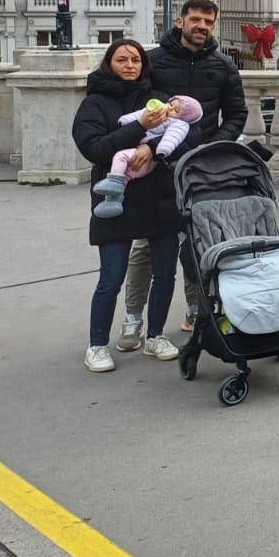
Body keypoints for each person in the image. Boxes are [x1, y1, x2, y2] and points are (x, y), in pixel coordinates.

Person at [120, 0, 246, 347]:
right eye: (195, 19)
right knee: (145, 245)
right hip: (156, 164)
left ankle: (195, 309)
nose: (202, 26)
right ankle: (133, 319)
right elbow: (138, 109)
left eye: (208, 21)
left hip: (201, 167)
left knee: (198, 241)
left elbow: (236, 114)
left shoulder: (223, 65)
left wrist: (211, 148)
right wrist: (149, 145)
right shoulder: (153, 61)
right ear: (180, 22)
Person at [72, 39, 184, 372]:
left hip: (158, 195)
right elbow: (94, 148)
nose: (130, 65)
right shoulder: (94, 103)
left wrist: (152, 149)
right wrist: (140, 128)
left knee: (165, 273)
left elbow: (183, 134)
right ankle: (97, 345)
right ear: (109, 64)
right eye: (122, 59)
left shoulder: (158, 97)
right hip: (115, 198)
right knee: (111, 278)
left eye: (135, 60)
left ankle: (155, 336)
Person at [90, 94, 202, 218]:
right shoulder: (158, 109)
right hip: (138, 150)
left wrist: (158, 149)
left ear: (182, 117)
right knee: (125, 176)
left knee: (121, 157)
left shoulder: (179, 124)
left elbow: (172, 138)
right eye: (171, 104)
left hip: (148, 158)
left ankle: (113, 182)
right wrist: (126, 120)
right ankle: (113, 202)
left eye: (176, 110)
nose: (169, 109)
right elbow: (139, 115)